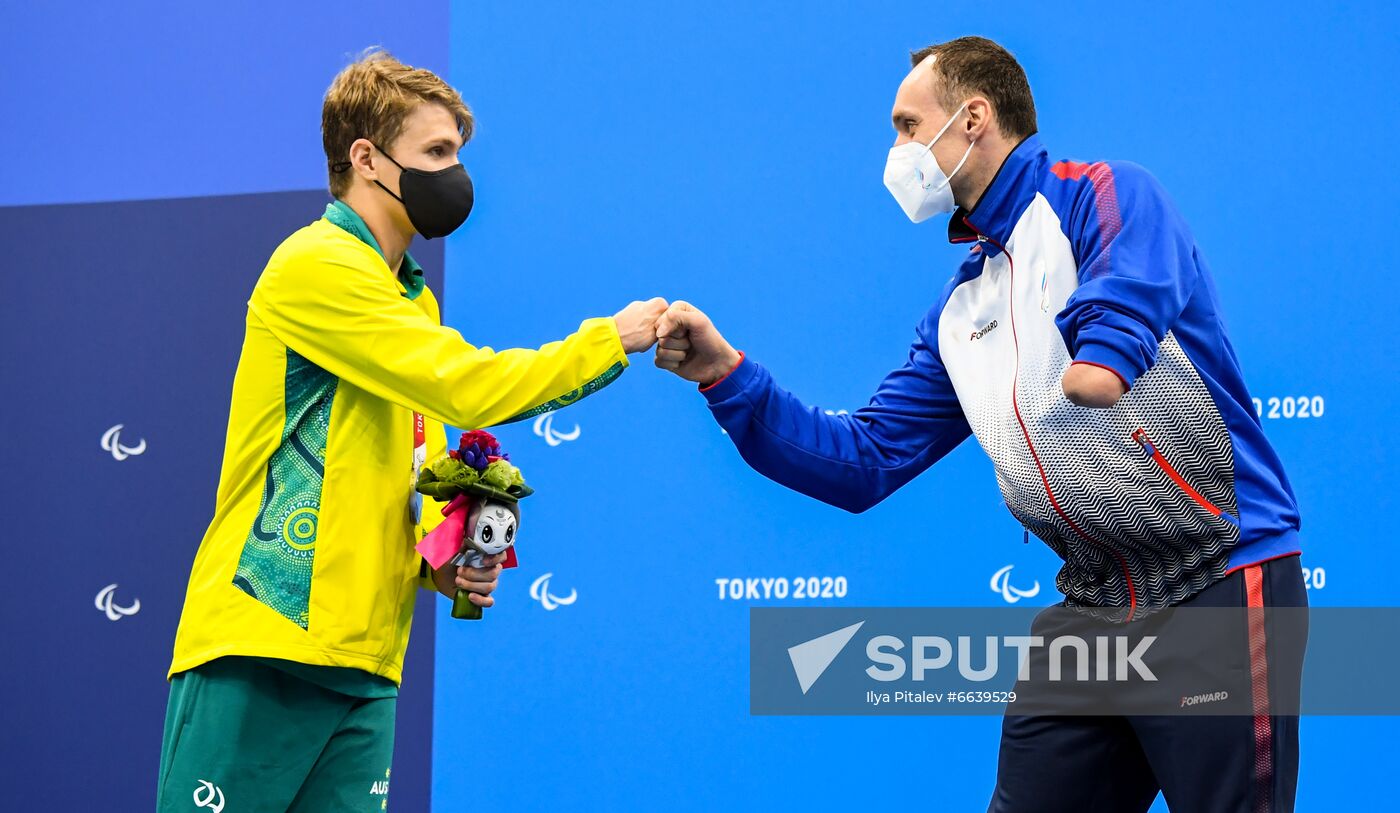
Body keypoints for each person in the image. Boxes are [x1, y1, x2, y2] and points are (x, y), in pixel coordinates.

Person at [653, 36, 1305, 813]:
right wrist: (727, 377)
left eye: (905, 124)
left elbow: (1131, 283)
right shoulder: (963, 310)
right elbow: (863, 460)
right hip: (1092, 607)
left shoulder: (1101, 194)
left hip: (1213, 579)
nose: (895, 151)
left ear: (972, 118)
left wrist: (1099, 358)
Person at [157, 50, 666, 812]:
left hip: (366, 668)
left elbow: (408, 467)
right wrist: (608, 340)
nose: (454, 173)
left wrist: (441, 560)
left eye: (456, 154)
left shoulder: (409, 301)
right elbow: (466, 386)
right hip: (265, 646)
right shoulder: (315, 265)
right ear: (365, 158)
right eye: (436, 152)